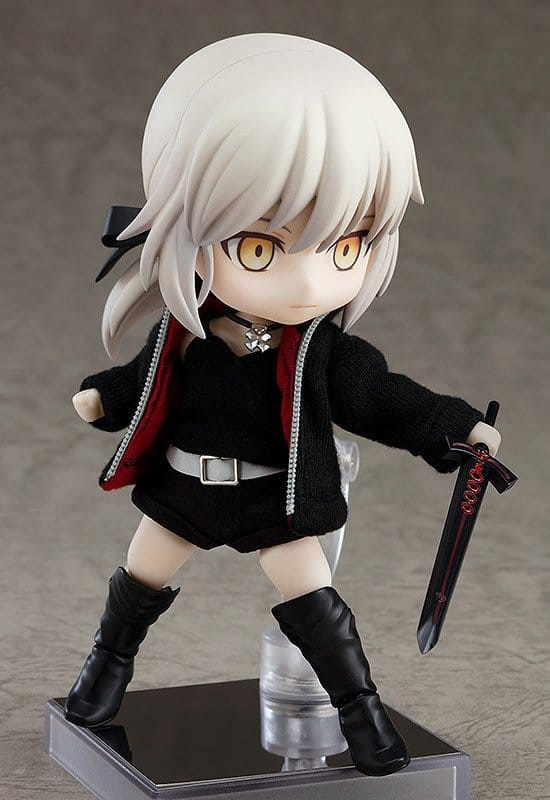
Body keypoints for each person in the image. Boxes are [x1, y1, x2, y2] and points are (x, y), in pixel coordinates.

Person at [64, 33, 501, 777]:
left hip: (278, 500)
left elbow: (383, 398)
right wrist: (105, 397)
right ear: (189, 230)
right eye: (262, 249)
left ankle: (360, 713)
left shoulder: (322, 353)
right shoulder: (186, 330)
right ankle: (104, 674)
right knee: (138, 580)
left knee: (315, 603)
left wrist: (453, 428)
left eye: (347, 246)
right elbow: (146, 379)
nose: (309, 282)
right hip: (183, 489)